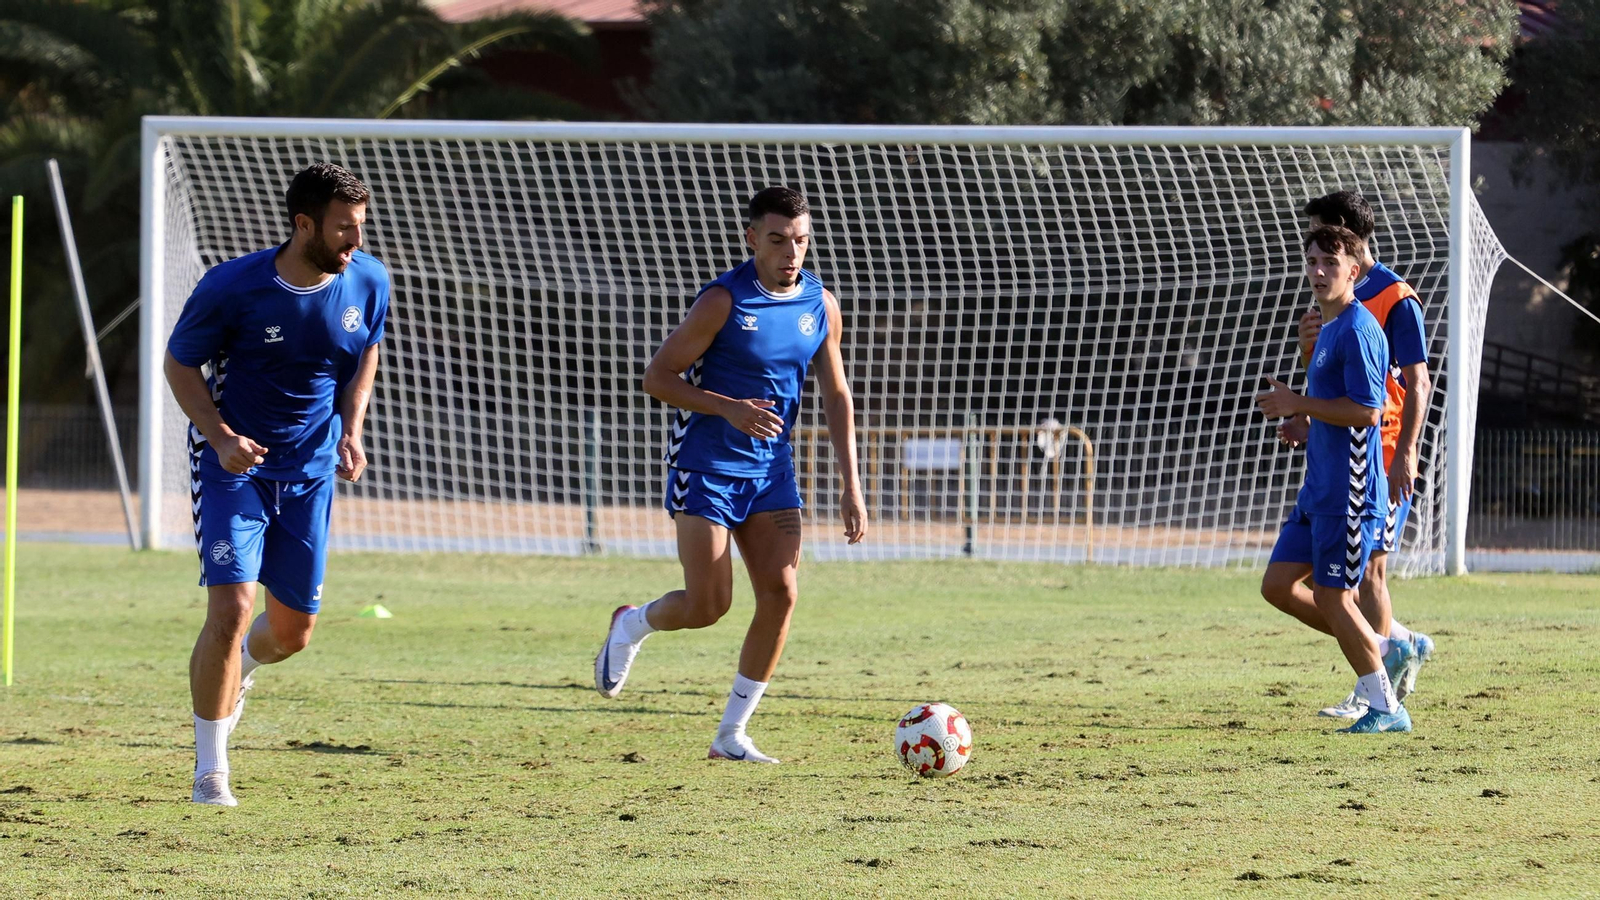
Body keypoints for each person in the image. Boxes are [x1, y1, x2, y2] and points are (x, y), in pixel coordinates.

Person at [593, 186, 866, 763]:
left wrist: (851, 483)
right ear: (752, 239)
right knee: (708, 605)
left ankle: (730, 736)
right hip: (707, 464)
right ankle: (633, 623)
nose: (791, 252)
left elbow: (837, 394)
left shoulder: (821, 304)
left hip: (772, 470)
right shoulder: (722, 300)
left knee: (782, 593)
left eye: (800, 240)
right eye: (777, 240)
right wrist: (727, 406)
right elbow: (658, 378)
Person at [165, 163, 388, 805]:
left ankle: (246, 670)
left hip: (312, 469)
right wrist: (219, 436)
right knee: (232, 609)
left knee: (291, 633)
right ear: (303, 224)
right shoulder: (232, 286)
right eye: (344, 230)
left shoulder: (367, 280)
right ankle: (211, 771)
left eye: (360, 228)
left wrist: (353, 427)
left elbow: (365, 350)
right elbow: (180, 363)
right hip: (236, 466)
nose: (356, 242)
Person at [1264, 190, 1435, 719]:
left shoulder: (1391, 302)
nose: (1316, 267)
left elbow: (1404, 388)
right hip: (1327, 469)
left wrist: (1407, 450)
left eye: (1327, 254)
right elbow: (1329, 380)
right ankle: (1386, 650)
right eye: (1311, 257)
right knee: (1299, 585)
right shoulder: (1328, 312)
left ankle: (1376, 690)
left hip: (1373, 463)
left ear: (1351, 254)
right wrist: (1304, 416)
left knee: (1361, 582)